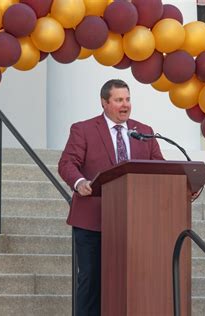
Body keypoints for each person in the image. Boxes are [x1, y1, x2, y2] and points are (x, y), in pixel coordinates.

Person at [58, 79, 164, 315]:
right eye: (118, 100)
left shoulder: (143, 132)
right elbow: (67, 163)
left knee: (131, 282)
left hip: (134, 222)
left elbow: (160, 168)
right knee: (91, 281)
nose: (125, 105)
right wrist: (79, 182)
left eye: (127, 99)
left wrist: (184, 184)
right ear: (105, 103)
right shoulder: (83, 129)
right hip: (93, 221)